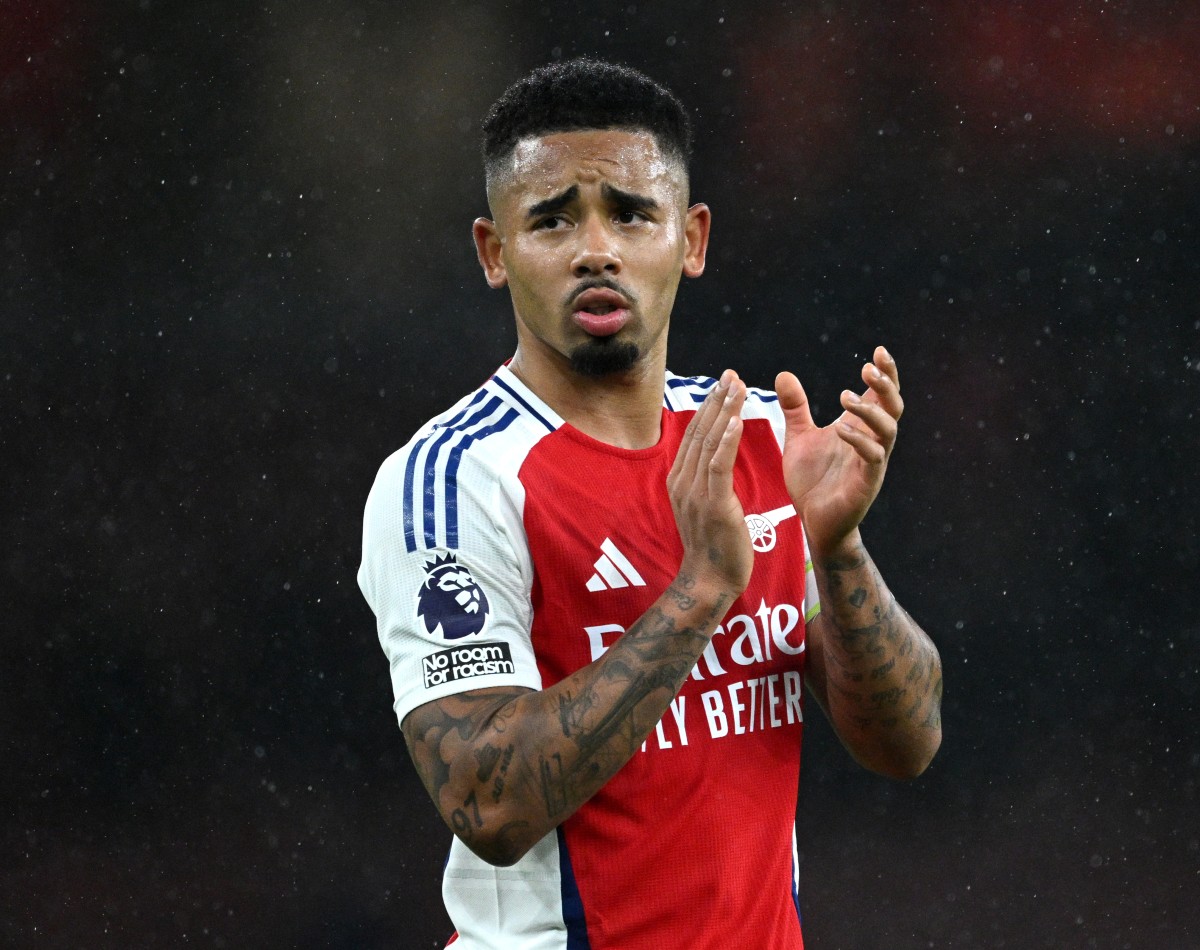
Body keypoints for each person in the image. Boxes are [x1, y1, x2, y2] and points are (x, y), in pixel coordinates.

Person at [358, 57, 943, 949]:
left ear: (693, 239)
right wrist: (702, 589)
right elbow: (489, 800)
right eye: (553, 219)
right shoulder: (451, 480)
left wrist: (840, 548)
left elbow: (908, 742)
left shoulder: (757, 435)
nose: (597, 248)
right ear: (495, 252)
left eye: (631, 214)